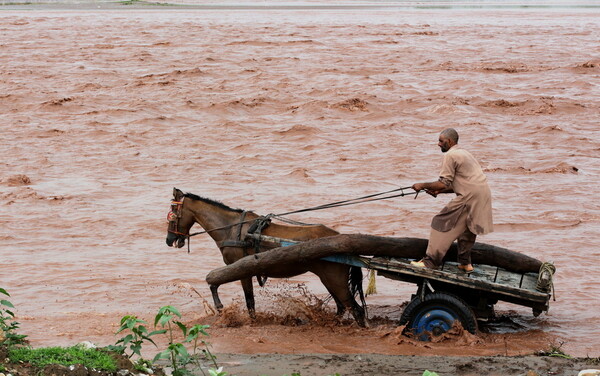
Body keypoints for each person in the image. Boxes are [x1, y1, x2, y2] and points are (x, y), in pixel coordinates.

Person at [411, 128, 493, 273]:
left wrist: (421, 185)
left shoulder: (450, 155)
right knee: (467, 228)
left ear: (449, 141)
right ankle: (465, 263)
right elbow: (461, 182)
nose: (438, 144)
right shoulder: (465, 153)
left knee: (440, 221)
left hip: (469, 196)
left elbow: (444, 182)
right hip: (482, 194)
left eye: (441, 141)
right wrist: (438, 191)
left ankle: (431, 261)